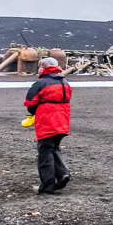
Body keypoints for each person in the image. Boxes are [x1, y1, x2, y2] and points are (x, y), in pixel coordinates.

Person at [24, 56, 72, 195]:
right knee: (54, 147)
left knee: (45, 152)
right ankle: (63, 174)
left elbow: (30, 103)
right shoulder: (65, 82)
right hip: (63, 120)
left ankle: (47, 186)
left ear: (42, 67)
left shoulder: (40, 83)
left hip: (47, 121)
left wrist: (34, 112)